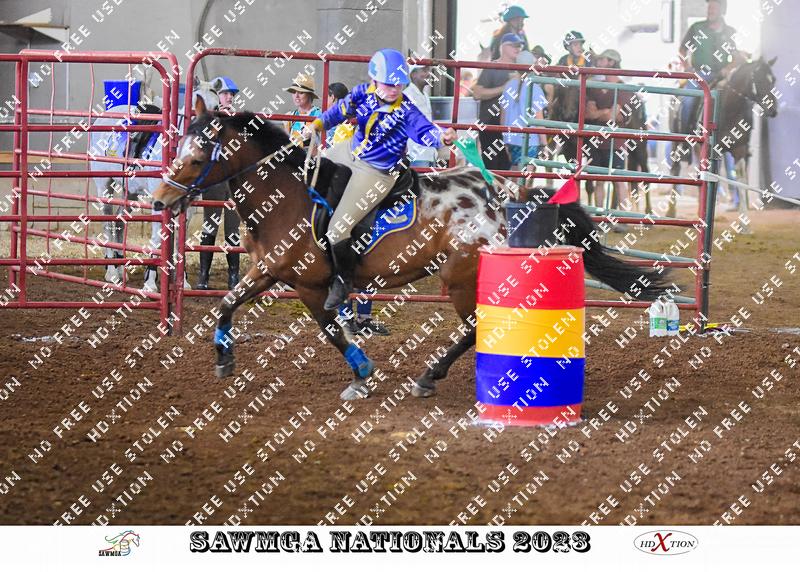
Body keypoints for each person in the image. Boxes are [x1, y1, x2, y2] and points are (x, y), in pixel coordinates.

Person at [303, 48, 457, 310]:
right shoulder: (362, 93)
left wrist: (442, 137)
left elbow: (425, 131)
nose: (395, 89)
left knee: (338, 229)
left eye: (399, 84)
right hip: (349, 151)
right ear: (374, 80)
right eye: (388, 83)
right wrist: (316, 126)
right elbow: (339, 110)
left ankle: (343, 281)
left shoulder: (406, 110)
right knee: (310, 174)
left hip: (376, 171)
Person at [325, 82, 390, 336]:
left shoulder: (358, 128)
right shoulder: (346, 130)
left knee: (357, 248)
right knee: (350, 248)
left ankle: (357, 317)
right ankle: (349, 316)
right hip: (351, 192)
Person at [196, 76, 242, 290]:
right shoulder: (207, 121)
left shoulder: (239, 119)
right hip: (215, 179)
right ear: (216, 97)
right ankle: (203, 276)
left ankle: (233, 276)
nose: (229, 97)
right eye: (225, 93)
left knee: (232, 228)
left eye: (231, 94)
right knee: (210, 225)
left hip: (234, 180)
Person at [583, 49, 632, 210]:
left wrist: (600, 113)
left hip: (615, 142)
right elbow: (590, 113)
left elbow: (613, 116)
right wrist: (606, 112)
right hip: (598, 141)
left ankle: (623, 217)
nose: (598, 62)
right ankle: (600, 215)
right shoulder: (596, 86)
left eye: (602, 59)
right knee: (600, 180)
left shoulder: (622, 88)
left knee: (618, 181)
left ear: (611, 62)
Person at [472, 33, 522, 171]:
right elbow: (477, 93)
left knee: (509, 167)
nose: (517, 48)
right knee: (493, 167)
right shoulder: (492, 67)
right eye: (514, 45)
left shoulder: (521, 70)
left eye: (519, 46)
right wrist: (505, 87)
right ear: (503, 47)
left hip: (512, 126)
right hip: (491, 124)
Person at [501, 50, 549, 171]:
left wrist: (505, 138)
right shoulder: (535, 88)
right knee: (524, 176)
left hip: (511, 139)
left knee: (514, 174)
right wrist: (544, 144)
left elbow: (503, 116)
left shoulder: (508, 86)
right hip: (530, 140)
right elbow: (539, 120)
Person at [403, 65, 438, 168]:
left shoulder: (425, 95)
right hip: (416, 153)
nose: (428, 74)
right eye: (424, 70)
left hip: (429, 152)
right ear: (413, 74)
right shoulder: (407, 95)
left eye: (429, 70)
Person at [284, 73, 322, 147]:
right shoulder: (289, 116)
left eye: (301, 92)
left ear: (310, 95)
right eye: (294, 92)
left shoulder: (319, 114)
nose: (296, 96)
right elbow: (286, 144)